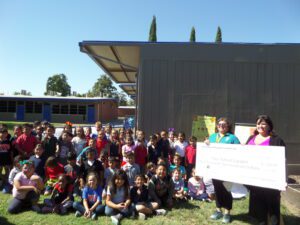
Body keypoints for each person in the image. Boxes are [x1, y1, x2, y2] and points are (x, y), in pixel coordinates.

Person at [246, 115, 285, 225]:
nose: (260, 126)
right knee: (258, 205)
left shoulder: (277, 140)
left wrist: (283, 179)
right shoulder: (251, 138)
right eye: (258, 123)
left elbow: (283, 161)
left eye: (263, 123)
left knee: (272, 206)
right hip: (254, 179)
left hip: (270, 180)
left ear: (269, 126)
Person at [207, 117, 240, 224]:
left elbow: (240, 152)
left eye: (224, 124)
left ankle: (227, 213)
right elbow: (207, 150)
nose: (221, 126)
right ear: (217, 126)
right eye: (220, 124)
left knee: (227, 190)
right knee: (217, 190)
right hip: (215, 169)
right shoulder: (212, 137)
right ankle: (218, 211)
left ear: (228, 126)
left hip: (228, 171)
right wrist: (206, 144)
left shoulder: (233, 138)